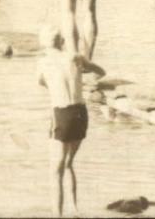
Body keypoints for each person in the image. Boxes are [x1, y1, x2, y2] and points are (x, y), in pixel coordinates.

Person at [37, 25, 105, 217]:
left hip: (62, 114)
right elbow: (101, 72)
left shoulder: (43, 62)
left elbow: (40, 82)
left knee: (55, 169)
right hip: (81, 114)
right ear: (62, 42)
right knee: (68, 164)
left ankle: (57, 215)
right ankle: (74, 210)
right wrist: (84, 80)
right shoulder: (75, 58)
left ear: (43, 44)